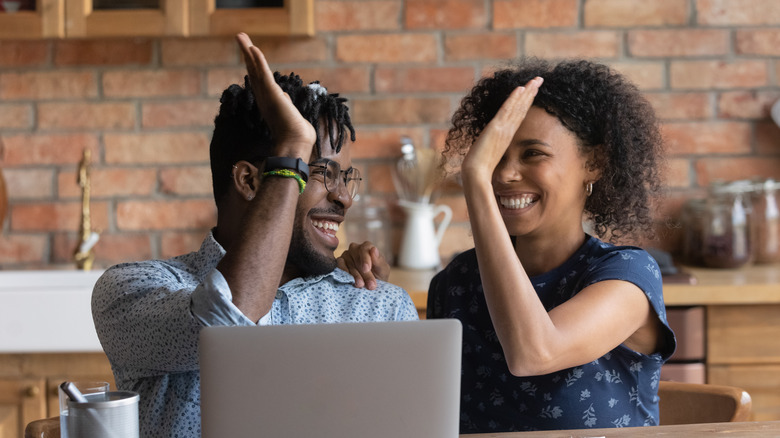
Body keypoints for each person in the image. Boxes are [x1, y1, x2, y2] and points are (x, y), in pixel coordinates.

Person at [91, 33, 417, 438]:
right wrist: (293, 146)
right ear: (250, 181)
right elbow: (229, 319)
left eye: (345, 177)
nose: (344, 198)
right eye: (320, 172)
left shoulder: (378, 306)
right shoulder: (132, 291)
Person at [342, 57, 676, 432]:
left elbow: (534, 353)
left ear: (594, 162)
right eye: (495, 157)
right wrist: (374, 296)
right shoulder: (457, 282)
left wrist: (475, 178)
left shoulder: (627, 278)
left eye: (533, 153)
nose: (504, 174)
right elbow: (413, 410)